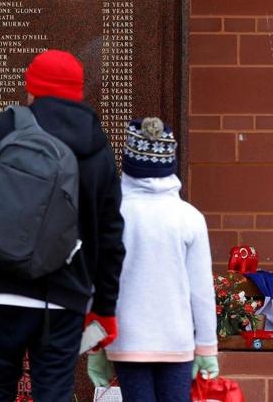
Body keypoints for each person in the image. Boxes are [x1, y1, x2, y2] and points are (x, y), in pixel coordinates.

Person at [0, 49, 125, 402]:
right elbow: (110, 237)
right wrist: (105, 307)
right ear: (78, 92)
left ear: (33, 89)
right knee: (54, 394)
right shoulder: (98, 148)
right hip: (63, 298)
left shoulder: (8, 126)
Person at [87, 118, 219, 401]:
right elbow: (202, 292)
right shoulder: (190, 218)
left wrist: (94, 343)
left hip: (127, 340)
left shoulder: (111, 215)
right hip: (176, 340)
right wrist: (207, 348)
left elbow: (96, 282)